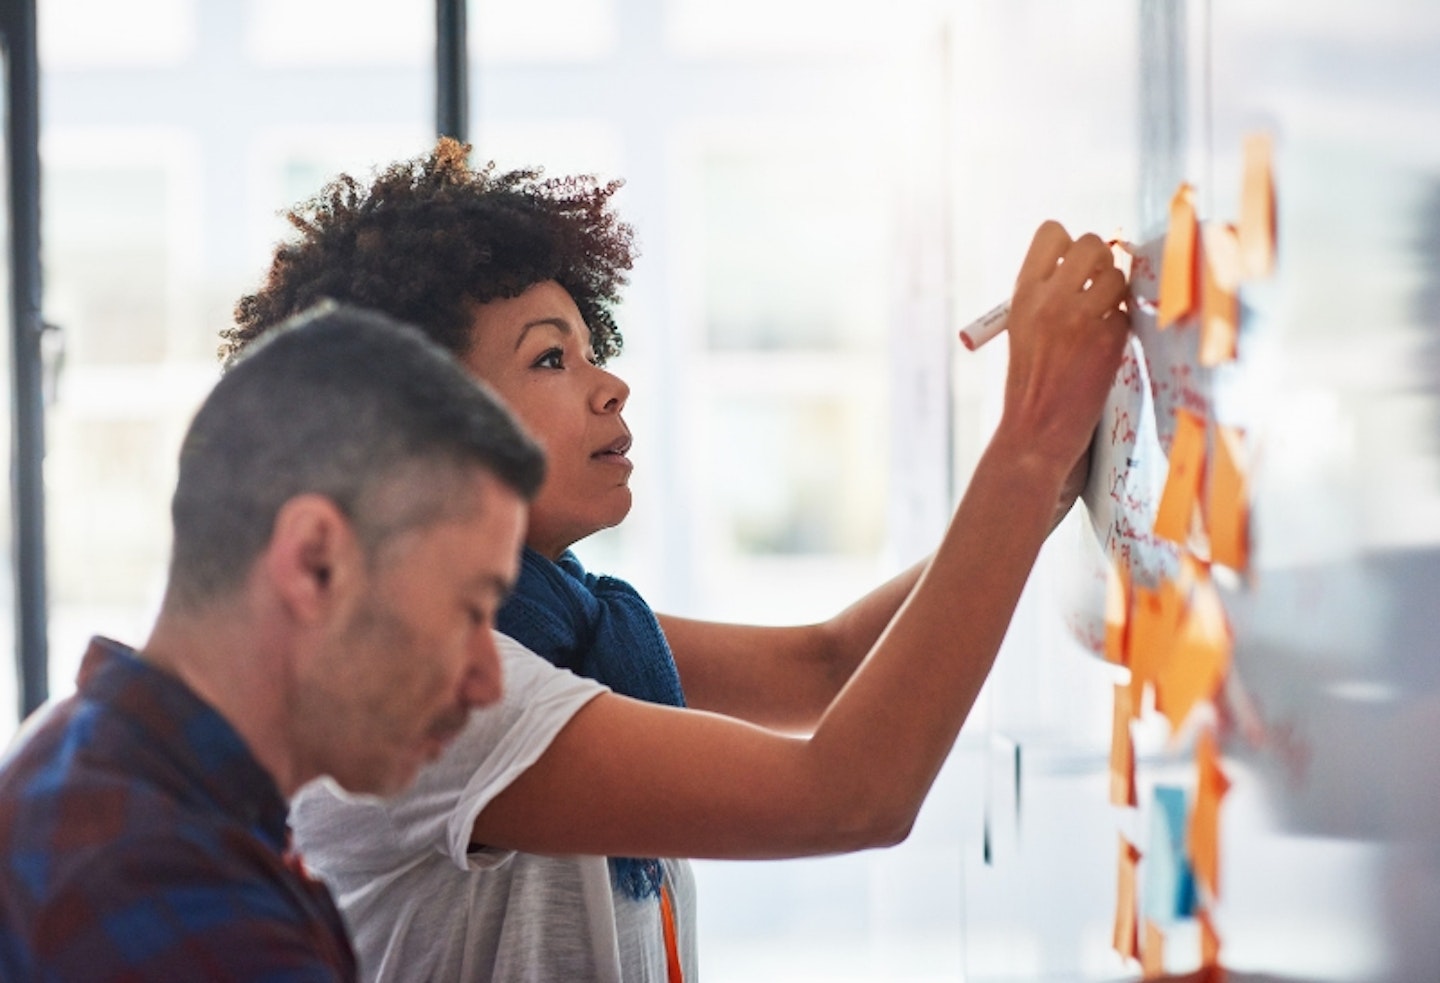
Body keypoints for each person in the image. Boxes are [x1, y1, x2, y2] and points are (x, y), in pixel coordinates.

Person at [220, 138, 1130, 982]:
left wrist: (1045, 481)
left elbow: (827, 664)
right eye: (550, 359)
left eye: (591, 350)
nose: (609, 382)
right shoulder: (422, 685)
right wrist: (1025, 442)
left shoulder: (566, 627)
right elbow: (851, 795)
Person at [0, 302, 549, 982]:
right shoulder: (152, 879)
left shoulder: (115, 774)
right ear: (315, 562)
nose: (487, 679)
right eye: (468, 610)